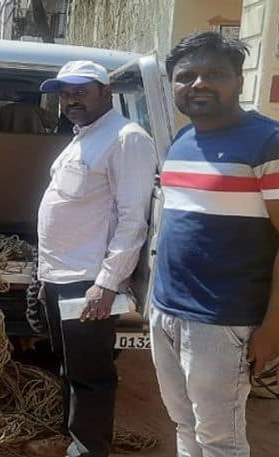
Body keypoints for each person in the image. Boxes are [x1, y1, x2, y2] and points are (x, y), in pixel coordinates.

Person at [151, 31, 279, 457]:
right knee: (184, 424)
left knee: (220, 440)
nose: (199, 84)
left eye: (214, 74)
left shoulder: (268, 142)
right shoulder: (182, 141)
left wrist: (273, 328)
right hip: (167, 311)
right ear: (173, 85)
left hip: (224, 321)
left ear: (239, 81)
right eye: (186, 76)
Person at [35, 60, 157, 457]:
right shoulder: (85, 135)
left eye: (81, 91)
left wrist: (106, 283)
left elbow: (132, 219)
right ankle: (73, 439)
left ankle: (89, 450)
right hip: (61, 275)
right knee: (72, 368)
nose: (71, 100)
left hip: (88, 281)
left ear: (106, 93)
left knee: (91, 376)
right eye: (65, 93)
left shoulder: (126, 138)